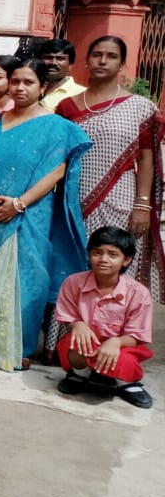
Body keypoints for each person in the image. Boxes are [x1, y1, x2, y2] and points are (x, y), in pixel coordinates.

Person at [0, 59, 91, 371]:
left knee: (26, 280)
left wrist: (18, 204)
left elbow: (57, 171)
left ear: (43, 87)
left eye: (28, 82)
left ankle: (18, 346)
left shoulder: (57, 127)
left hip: (28, 215)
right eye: (15, 81)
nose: (20, 88)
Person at [56, 36, 164, 300]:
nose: (103, 61)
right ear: (87, 60)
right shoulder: (66, 107)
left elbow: (146, 158)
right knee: (76, 262)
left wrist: (142, 205)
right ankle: (74, 321)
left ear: (122, 64)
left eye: (111, 56)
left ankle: (116, 321)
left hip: (121, 198)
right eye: (97, 55)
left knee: (114, 260)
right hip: (74, 199)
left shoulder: (140, 107)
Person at [53, 227, 153, 408]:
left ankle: (126, 383)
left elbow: (137, 334)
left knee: (125, 361)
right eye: (97, 252)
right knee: (75, 344)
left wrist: (116, 342)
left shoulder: (139, 293)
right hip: (89, 342)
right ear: (89, 254)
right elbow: (67, 316)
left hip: (122, 346)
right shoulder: (73, 282)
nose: (103, 259)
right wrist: (76, 324)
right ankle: (80, 374)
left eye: (113, 255)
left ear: (126, 260)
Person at [38, 38, 86, 109]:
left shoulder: (81, 94)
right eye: (48, 57)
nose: (53, 63)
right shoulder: (29, 88)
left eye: (60, 58)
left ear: (70, 64)